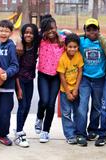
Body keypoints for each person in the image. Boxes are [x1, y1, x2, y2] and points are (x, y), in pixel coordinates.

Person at [76, 18, 106, 146]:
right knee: (82, 107)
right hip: (85, 79)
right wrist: (82, 35)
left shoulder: (103, 42)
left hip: (99, 79)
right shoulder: (82, 41)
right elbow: (65, 36)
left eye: (94, 29)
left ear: (98, 30)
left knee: (97, 106)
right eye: (88, 30)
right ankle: (80, 134)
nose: (91, 32)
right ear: (85, 31)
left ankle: (93, 130)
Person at [34, 14, 65, 143]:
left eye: (53, 28)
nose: (51, 31)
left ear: (56, 28)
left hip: (56, 76)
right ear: (43, 31)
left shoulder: (63, 40)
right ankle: (39, 117)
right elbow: (25, 37)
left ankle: (46, 131)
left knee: (51, 104)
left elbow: (76, 38)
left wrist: (64, 33)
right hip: (43, 75)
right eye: (48, 29)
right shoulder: (41, 40)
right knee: (44, 101)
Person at [0, 20, 19, 146]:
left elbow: (15, 65)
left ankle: (2, 135)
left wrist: (7, 73)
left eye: (6, 31)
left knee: (4, 115)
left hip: (6, 89)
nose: (3, 33)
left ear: (11, 32)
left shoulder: (11, 46)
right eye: (1, 30)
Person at [14, 24, 39, 147]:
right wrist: (18, 89)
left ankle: (19, 129)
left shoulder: (35, 45)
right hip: (19, 80)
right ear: (23, 34)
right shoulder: (18, 48)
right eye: (26, 32)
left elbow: (58, 34)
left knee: (27, 106)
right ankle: (19, 133)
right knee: (22, 105)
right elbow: (16, 70)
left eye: (31, 33)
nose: (28, 35)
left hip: (29, 80)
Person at [57, 33, 84, 145]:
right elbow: (61, 76)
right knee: (66, 113)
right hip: (65, 90)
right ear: (66, 47)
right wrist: (68, 92)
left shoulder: (78, 56)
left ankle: (78, 133)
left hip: (76, 89)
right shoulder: (63, 58)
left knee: (78, 112)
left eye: (75, 47)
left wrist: (76, 89)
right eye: (70, 47)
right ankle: (70, 135)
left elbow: (80, 72)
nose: (72, 49)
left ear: (78, 47)